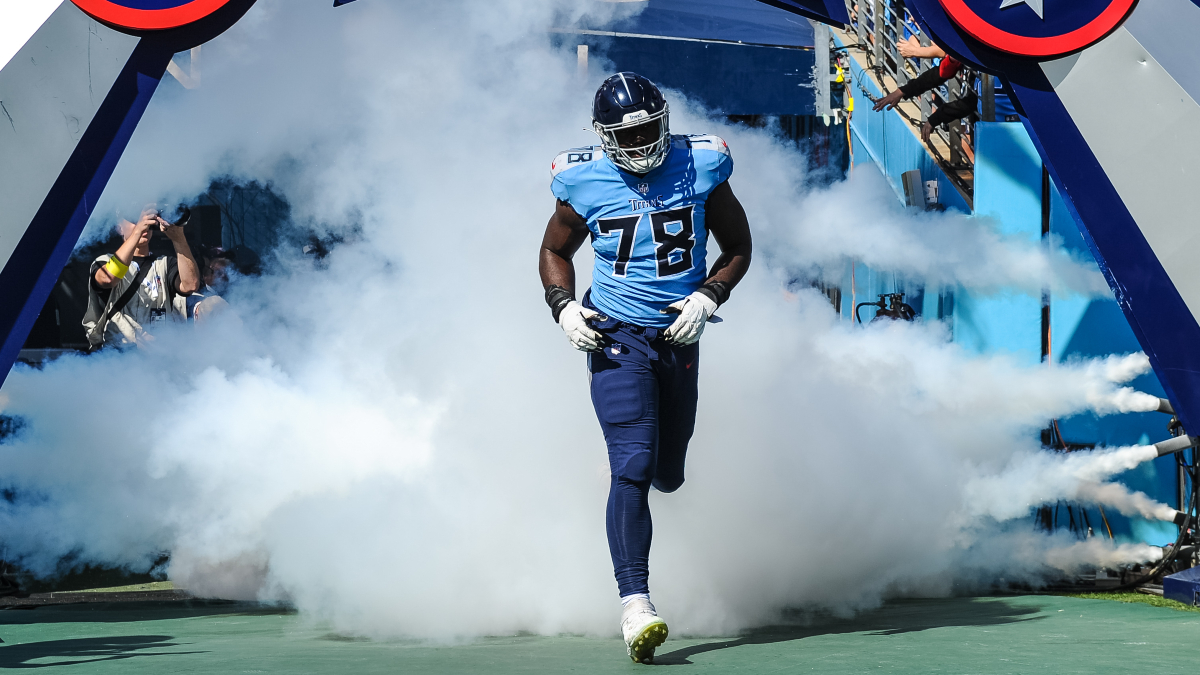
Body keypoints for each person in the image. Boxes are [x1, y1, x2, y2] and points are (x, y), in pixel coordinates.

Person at [539, 72, 752, 664]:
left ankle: (658, 485)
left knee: (668, 470)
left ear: (666, 119)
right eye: (624, 135)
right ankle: (636, 603)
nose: (638, 145)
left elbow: (738, 246)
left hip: (678, 333)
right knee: (630, 463)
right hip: (615, 337)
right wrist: (562, 307)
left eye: (648, 130)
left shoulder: (702, 164)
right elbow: (555, 249)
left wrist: (710, 295)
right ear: (602, 136)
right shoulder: (581, 179)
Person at [83, 206, 200, 348]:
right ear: (119, 228)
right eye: (134, 219)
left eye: (146, 219)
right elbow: (108, 278)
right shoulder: (104, 261)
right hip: (115, 356)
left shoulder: (164, 264)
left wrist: (179, 238)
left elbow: (190, 285)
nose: (143, 223)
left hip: (155, 357)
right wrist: (138, 230)